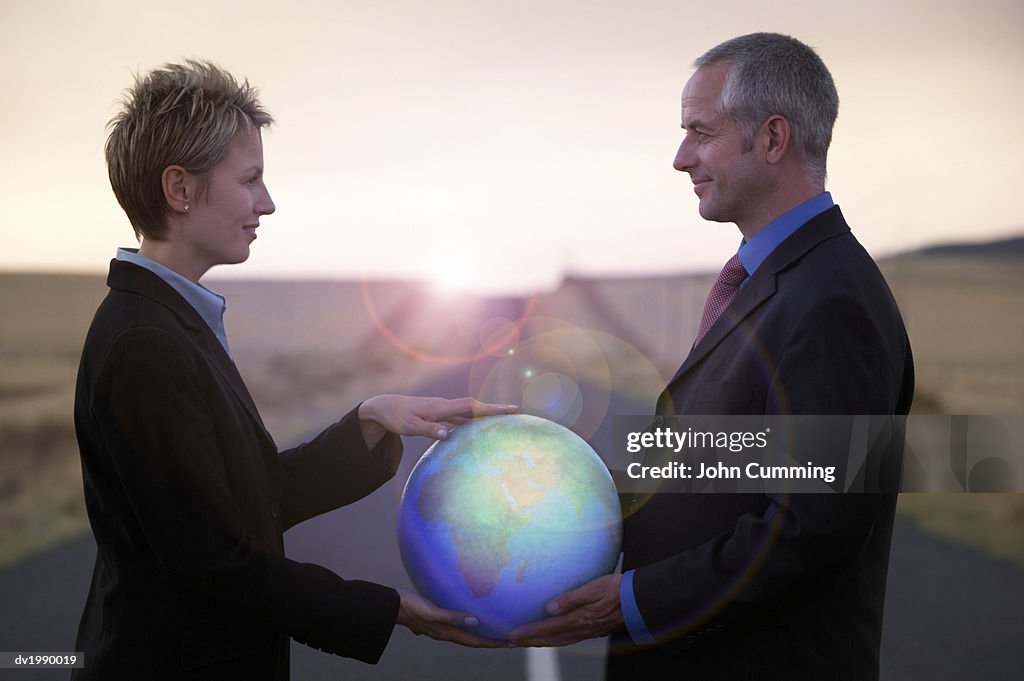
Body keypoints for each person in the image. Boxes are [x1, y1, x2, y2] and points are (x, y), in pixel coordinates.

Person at [72, 60, 514, 680]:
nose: (268, 203)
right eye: (250, 179)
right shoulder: (146, 343)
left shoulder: (169, 321)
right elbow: (214, 560)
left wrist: (368, 421)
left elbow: (246, 505)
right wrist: (388, 612)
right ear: (179, 189)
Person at [510, 33, 914, 680]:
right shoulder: (773, 280)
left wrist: (634, 599)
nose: (679, 157)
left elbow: (812, 528)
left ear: (773, 139)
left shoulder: (833, 302)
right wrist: (567, 493)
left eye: (700, 131)